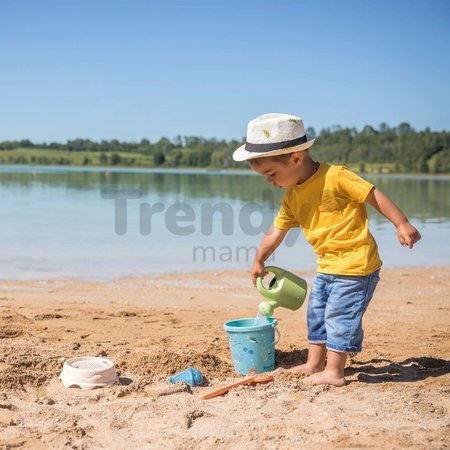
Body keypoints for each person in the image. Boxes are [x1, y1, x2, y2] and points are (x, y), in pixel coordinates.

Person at [233, 113, 421, 386]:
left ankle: (334, 371)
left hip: (356, 264)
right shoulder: (292, 196)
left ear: (295, 158)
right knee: (317, 312)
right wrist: (259, 258)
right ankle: (314, 363)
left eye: (272, 174)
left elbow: (373, 195)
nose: (269, 181)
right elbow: (276, 230)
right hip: (328, 265)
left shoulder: (336, 176)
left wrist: (401, 223)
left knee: (339, 315)